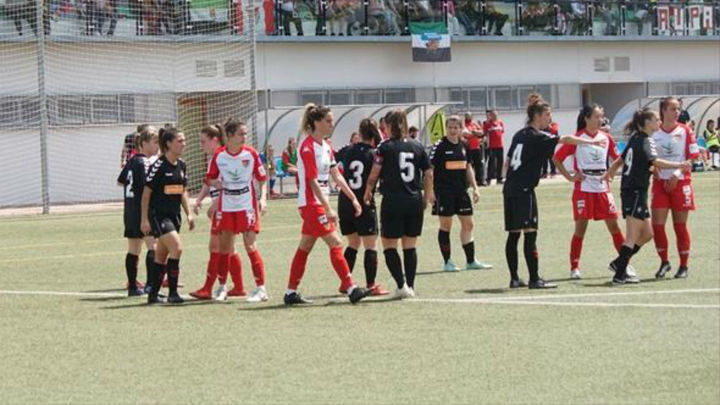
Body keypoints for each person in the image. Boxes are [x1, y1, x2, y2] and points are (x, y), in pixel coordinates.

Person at [502, 100, 604, 289]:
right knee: (530, 234)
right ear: (537, 116)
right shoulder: (538, 136)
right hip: (524, 190)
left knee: (513, 234)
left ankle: (514, 278)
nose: (550, 118)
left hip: (510, 188)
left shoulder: (519, 134)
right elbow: (566, 139)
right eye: (547, 114)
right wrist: (592, 141)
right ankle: (534, 279)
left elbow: (507, 162)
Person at [284, 104, 372, 305]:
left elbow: (337, 175)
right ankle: (351, 288)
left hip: (318, 202)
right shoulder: (307, 147)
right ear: (316, 123)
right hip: (311, 203)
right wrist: (328, 208)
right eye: (328, 121)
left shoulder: (325, 146)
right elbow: (312, 182)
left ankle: (290, 292)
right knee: (336, 242)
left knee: (305, 246)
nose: (332, 124)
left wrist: (353, 198)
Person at [604, 109, 691, 284]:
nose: (660, 122)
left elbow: (621, 159)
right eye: (656, 119)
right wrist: (679, 164)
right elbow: (655, 162)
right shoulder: (646, 140)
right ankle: (619, 275)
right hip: (635, 191)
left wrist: (610, 172)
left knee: (648, 234)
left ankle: (619, 263)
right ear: (646, 123)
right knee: (632, 236)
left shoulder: (635, 138)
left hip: (635, 191)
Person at [553, 105, 630, 280]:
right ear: (586, 118)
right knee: (580, 229)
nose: (600, 120)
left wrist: (611, 172)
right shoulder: (577, 138)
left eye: (601, 116)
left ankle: (624, 264)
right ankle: (574, 267)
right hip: (584, 188)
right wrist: (570, 177)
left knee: (615, 226)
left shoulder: (606, 137)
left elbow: (618, 158)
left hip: (602, 188)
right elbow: (557, 158)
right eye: (596, 116)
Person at [364, 109, 434, 299]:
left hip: (393, 201)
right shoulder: (417, 145)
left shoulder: (384, 147)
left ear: (388, 125)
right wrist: (427, 196)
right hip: (414, 199)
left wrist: (368, 191)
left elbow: (374, 174)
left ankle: (401, 285)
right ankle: (410, 285)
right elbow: (428, 173)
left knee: (389, 246)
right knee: (410, 246)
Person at [203, 119, 270, 303]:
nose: (244, 137)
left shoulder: (251, 154)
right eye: (241, 134)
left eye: (245, 133)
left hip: (247, 205)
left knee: (250, 246)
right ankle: (222, 287)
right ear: (230, 136)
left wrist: (263, 198)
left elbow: (262, 178)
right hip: (227, 206)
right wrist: (215, 182)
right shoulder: (219, 156)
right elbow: (209, 179)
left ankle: (261, 289)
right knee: (225, 248)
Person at [140, 126, 195, 304]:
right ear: (169, 143)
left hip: (174, 216)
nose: (184, 144)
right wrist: (144, 219)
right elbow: (146, 194)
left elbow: (182, 190)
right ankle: (173, 293)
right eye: (180, 141)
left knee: (161, 256)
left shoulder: (182, 164)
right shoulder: (158, 165)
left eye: (184, 140)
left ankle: (153, 294)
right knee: (177, 248)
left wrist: (189, 213)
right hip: (159, 216)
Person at [430, 115, 492, 272]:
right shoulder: (439, 146)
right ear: (446, 128)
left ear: (460, 129)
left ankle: (471, 261)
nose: (452, 130)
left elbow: (468, 167)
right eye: (450, 127)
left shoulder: (464, 145)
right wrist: (430, 191)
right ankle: (447, 262)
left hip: (461, 191)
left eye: (455, 127)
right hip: (444, 192)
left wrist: (475, 187)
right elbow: (429, 170)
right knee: (446, 225)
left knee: (469, 224)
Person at [337, 118, 389, 296]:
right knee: (370, 245)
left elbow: (334, 161)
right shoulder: (374, 154)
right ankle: (371, 285)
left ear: (359, 132)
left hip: (345, 201)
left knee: (353, 243)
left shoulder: (347, 150)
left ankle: (345, 283)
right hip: (364, 201)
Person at [650, 97, 700, 279]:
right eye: (672, 109)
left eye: (678, 109)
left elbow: (693, 157)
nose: (677, 112)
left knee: (679, 225)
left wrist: (677, 174)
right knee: (657, 225)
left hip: (681, 183)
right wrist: (653, 169)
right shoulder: (653, 132)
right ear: (663, 110)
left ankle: (683, 265)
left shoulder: (685, 130)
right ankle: (664, 262)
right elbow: (648, 158)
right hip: (659, 184)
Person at [189, 125, 235, 300]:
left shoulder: (223, 156)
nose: (201, 145)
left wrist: (216, 203)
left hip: (224, 206)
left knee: (215, 247)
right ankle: (238, 286)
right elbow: (209, 182)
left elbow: (230, 184)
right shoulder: (214, 158)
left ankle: (208, 288)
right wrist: (199, 199)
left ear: (215, 140)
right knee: (229, 248)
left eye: (203, 142)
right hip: (221, 205)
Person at [117, 126, 159, 296]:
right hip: (143, 211)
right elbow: (146, 189)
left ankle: (133, 287)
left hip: (130, 211)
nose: (157, 146)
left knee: (134, 249)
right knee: (153, 247)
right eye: (155, 142)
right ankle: (150, 285)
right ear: (144, 143)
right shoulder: (144, 163)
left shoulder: (132, 161)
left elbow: (120, 181)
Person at [463, 112, 486, 186]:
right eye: (466, 116)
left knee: (479, 165)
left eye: (469, 116)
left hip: (476, 147)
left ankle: (480, 180)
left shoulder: (475, 124)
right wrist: (475, 133)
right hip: (468, 148)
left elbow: (481, 133)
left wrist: (474, 132)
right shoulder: (463, 124)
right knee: (468, 165)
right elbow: (466, 134)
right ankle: (468, 181)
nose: (468, 117)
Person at [483, 109, 505, 185]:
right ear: (491, 116)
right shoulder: (488, 124)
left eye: (496, 115)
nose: (495, 116)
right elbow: (485, 134)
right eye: (494, 115)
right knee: (491, 163)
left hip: (500, 146)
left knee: (500, 162)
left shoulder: (500, 123)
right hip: (492, 146)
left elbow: (502, 132)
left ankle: (499, 178)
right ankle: (488, 179)